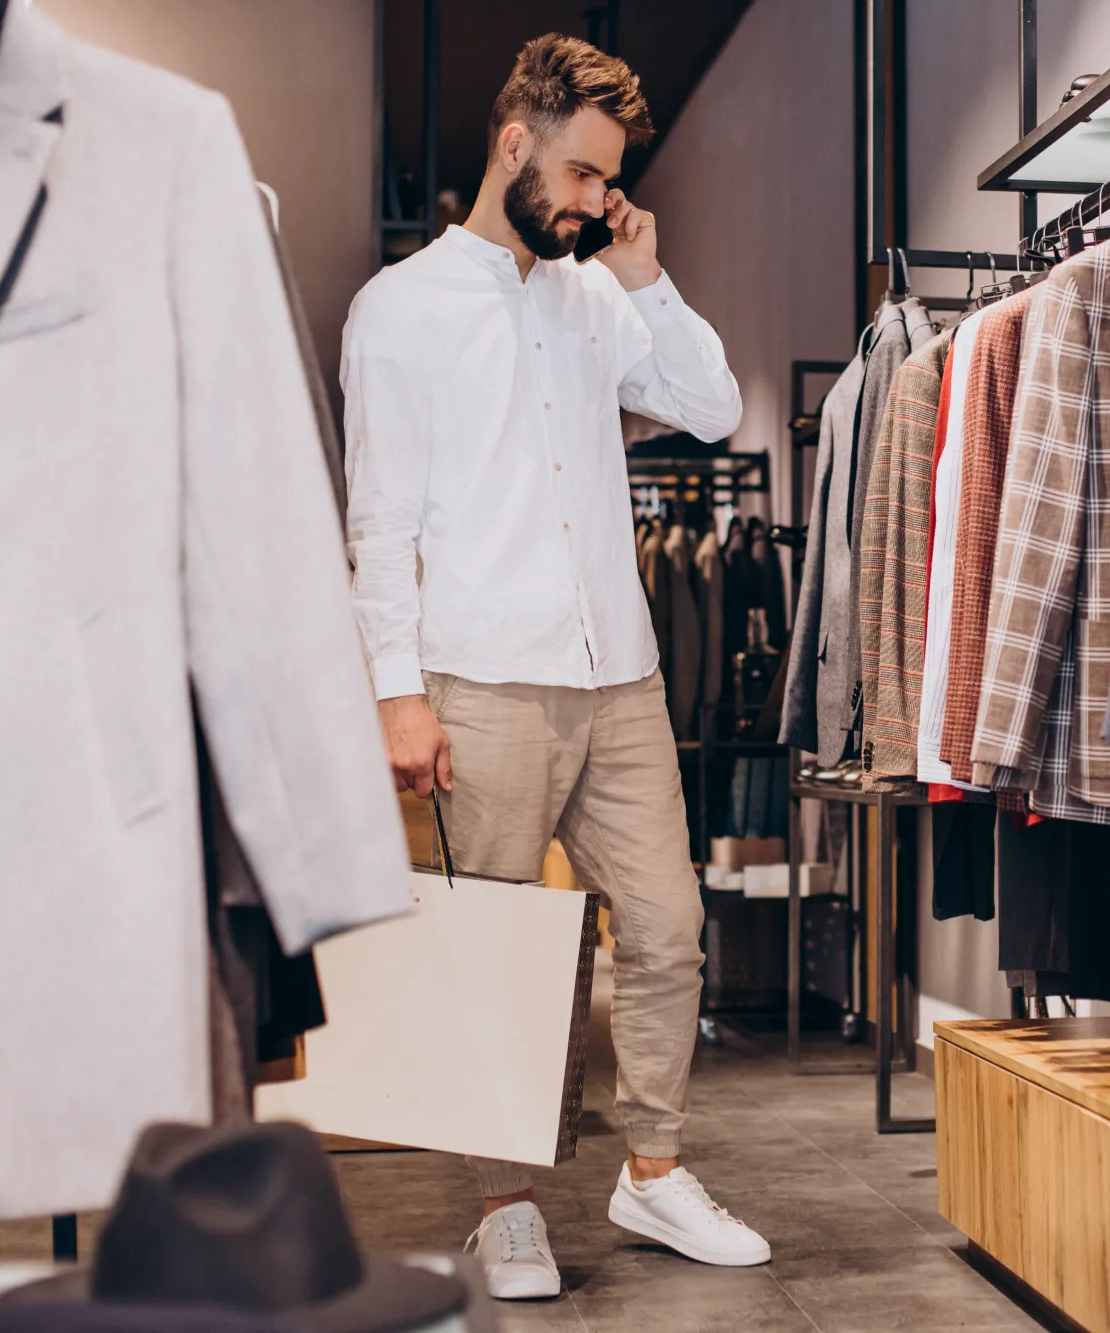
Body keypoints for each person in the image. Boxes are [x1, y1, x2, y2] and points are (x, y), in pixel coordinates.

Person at [339, 32, 769, 1300]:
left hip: (618, 669)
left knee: (670, 927)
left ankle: (651, 1171)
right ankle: (507, 1204)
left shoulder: (596, 296)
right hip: (480, 672)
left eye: (607, 179)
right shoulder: (399, 311)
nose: (594, 199)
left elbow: (715, 408)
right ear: (513, 143)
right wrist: (397, 692)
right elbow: (381, 522)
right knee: (507, 954)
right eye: (581, 174)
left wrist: (644, 278)